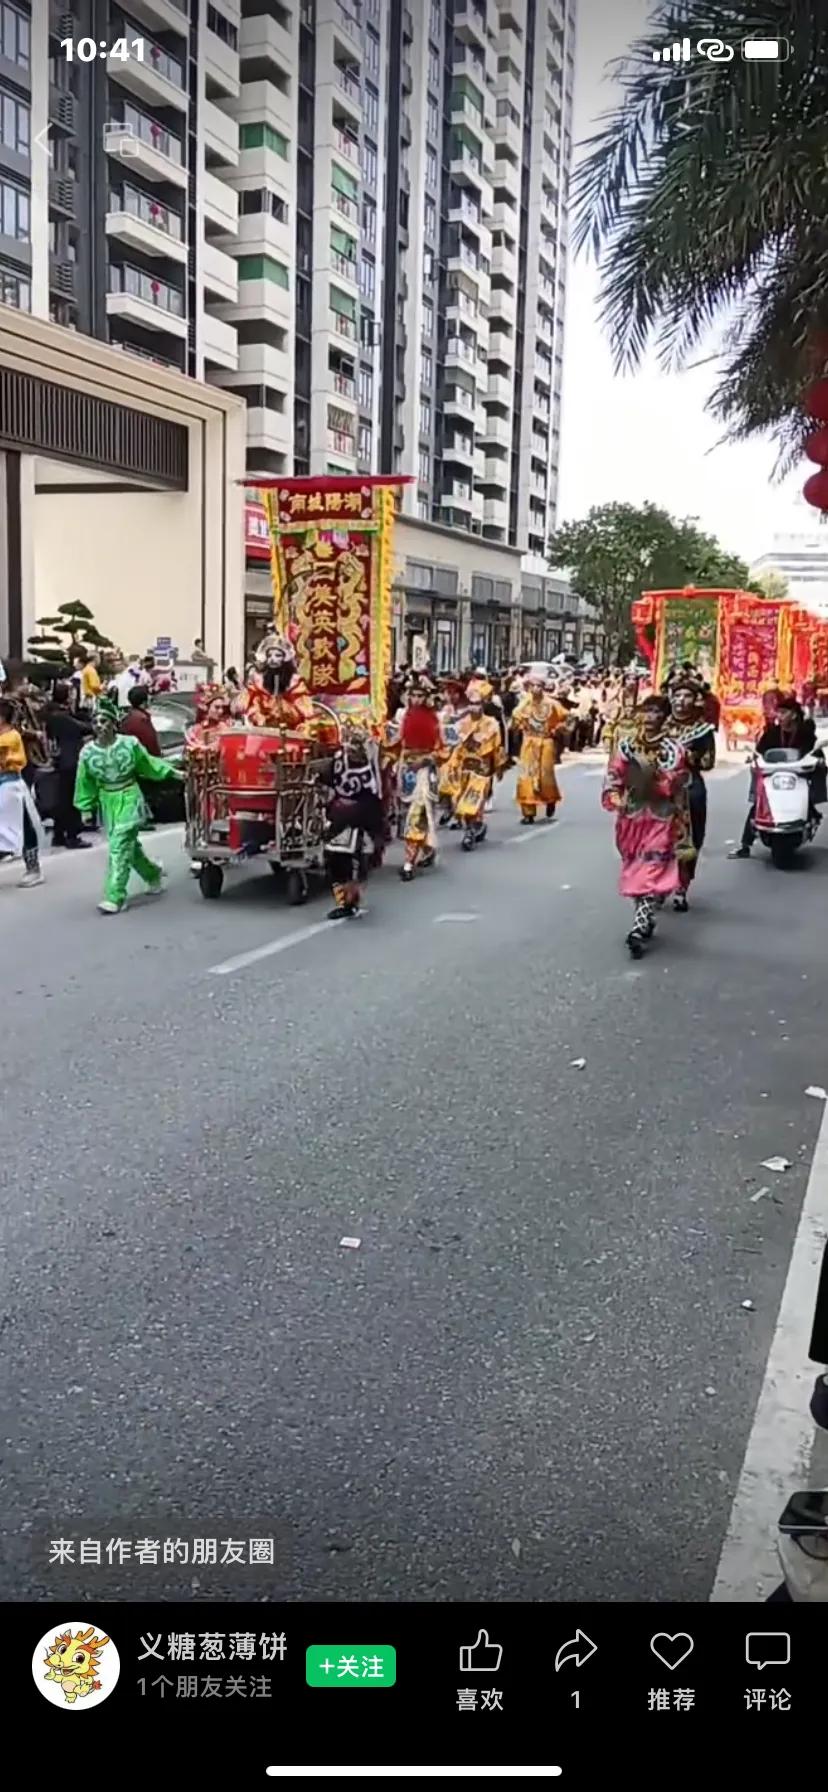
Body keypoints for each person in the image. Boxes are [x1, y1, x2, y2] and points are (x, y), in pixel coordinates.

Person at [74, 696, 182, 914]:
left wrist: (173, 772)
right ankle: (152, 873)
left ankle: (115, 896)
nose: (99, 726)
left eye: (104, 721)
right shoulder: (87, 752)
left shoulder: (129, 744)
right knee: (128, 847)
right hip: (108, 800)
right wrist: (86, 807)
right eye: (95, 722)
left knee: (119, 844)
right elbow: (84, 781)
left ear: (114, 724)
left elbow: (149, 764)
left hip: (130, 795)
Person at [602, 692, 688, 958]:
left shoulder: (673, 749)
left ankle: (638, 928)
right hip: (632, 816)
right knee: (636, 868)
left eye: (656, 712)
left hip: (660, 816)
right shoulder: (627, 745)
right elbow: (614, 775)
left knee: (651, 867)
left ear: (665, 717)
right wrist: (616, 796)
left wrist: (655, 779)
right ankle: (646, 915)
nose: (650, 717)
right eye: (647, 711)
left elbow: (675, 781)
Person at [729, 694, 821, 858]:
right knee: (758, 804)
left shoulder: (805, 732)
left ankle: (812, 812)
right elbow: (760, 751)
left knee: (809, 790)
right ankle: (745, 846)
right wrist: (753, 757)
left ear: (794, 715)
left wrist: (819, 760)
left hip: (798, 774)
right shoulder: (772, 732)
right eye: (778, 712)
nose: (779, 716)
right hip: (773, 775)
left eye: (783, 712)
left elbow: (815, 751)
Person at [320, 723, 385, 918]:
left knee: (353, 861)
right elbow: (329, 778)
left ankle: (350, 900)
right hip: (340, 814)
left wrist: (374, 827)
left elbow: (374, 796)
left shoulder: (369, 766)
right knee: (335, 858)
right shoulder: (339, 759)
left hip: (359, 816)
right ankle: (345, 901)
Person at [667, 673, 716, 910]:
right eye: (677, 695)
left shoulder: (702, 730)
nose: (681, 700)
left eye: (687, 695)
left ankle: (681, 887)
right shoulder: (660, 724)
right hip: (661, 783)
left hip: (688, 784)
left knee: (690, 837)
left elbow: (708, 762)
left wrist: (688, 756)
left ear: (695, 699)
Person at [444, 679, 506, 848]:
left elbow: (496, 748)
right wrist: (452, 765)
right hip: (464, 769)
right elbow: (455, 747)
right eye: (471, 704)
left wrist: (498, 767)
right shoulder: (462, 723)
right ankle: (476, 826)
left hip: (481, 770)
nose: (474, 707)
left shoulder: (491, 724)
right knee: (459, 802)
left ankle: (470, 832)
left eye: (477, 704)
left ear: (483, 705)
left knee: (473, 802)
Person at [395, 673, 444, 880]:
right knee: (407, 814)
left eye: (420, 696)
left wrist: (427, 759)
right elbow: (394, 743)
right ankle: (426, 848)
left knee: (419, 813)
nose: (416, 699)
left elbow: (444, 748)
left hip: (425, 769)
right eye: (413, 695)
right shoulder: (402, 717)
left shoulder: (436, 719)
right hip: (407, 769)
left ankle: (409, 861)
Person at [0, 697, 45, 885]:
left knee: (24, 825)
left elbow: (14, 758)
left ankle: (33, 868)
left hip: (11, 786)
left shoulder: (12, 736)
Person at [512, 676, 568, 822]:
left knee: (545, 775)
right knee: (526, 775)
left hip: (546, 742)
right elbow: (515, 719)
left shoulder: (552, 704)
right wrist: (519, 726)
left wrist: (557, 729)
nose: (535, 689)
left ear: (543, 688)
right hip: (529, 743)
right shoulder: (524, 704)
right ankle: (528, 812)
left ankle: (550, 799)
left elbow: (566, 719)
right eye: (533, 686)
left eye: (539, 686)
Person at [44, 682, 93, 849]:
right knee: (72, 799)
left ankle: (59, 834)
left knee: (62, 798)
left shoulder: (52, 714)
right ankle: (72, 836)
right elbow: (84, 728)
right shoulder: (61, 716)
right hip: (70, 760)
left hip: (61, 760)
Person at [119, 686, 162, 756]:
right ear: (144, 702)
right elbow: (151, 743)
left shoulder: (129, 716)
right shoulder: (142, 719)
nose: (151, 698)